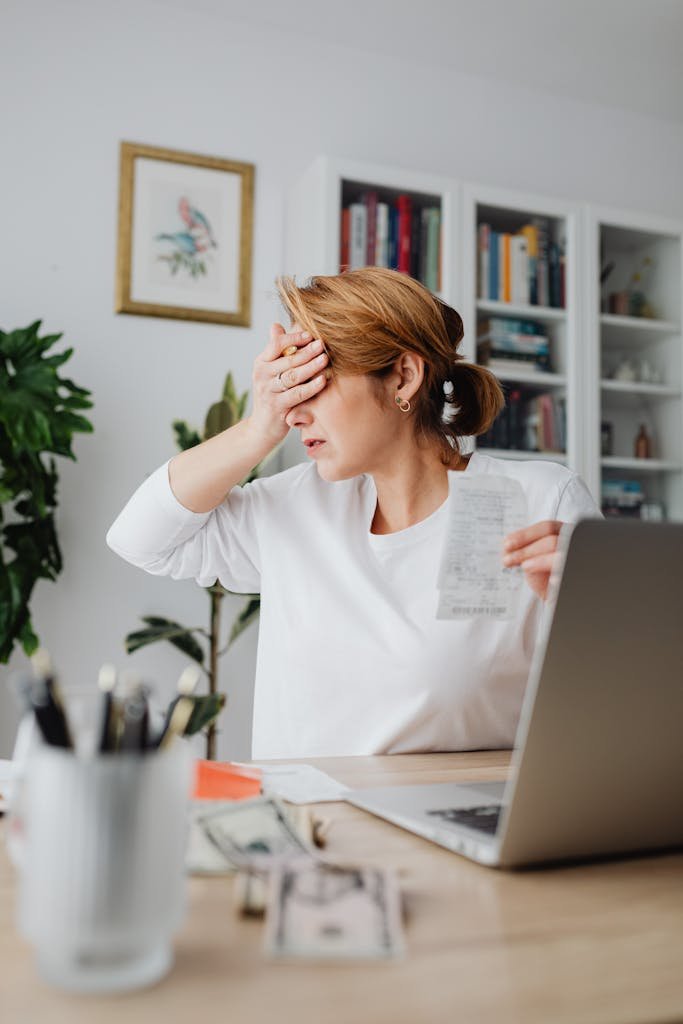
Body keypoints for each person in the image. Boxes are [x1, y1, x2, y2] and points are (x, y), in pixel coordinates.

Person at [107, 267, 599, 758]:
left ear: (403, 377)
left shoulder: (537, 501)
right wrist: (258, 429)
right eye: (287, 386)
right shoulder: (295, 507)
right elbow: (138, 539)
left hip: (454, 825)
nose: (294, 411)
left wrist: (596, 613)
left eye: (313, 382)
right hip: (304, 825)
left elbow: (615, 709)